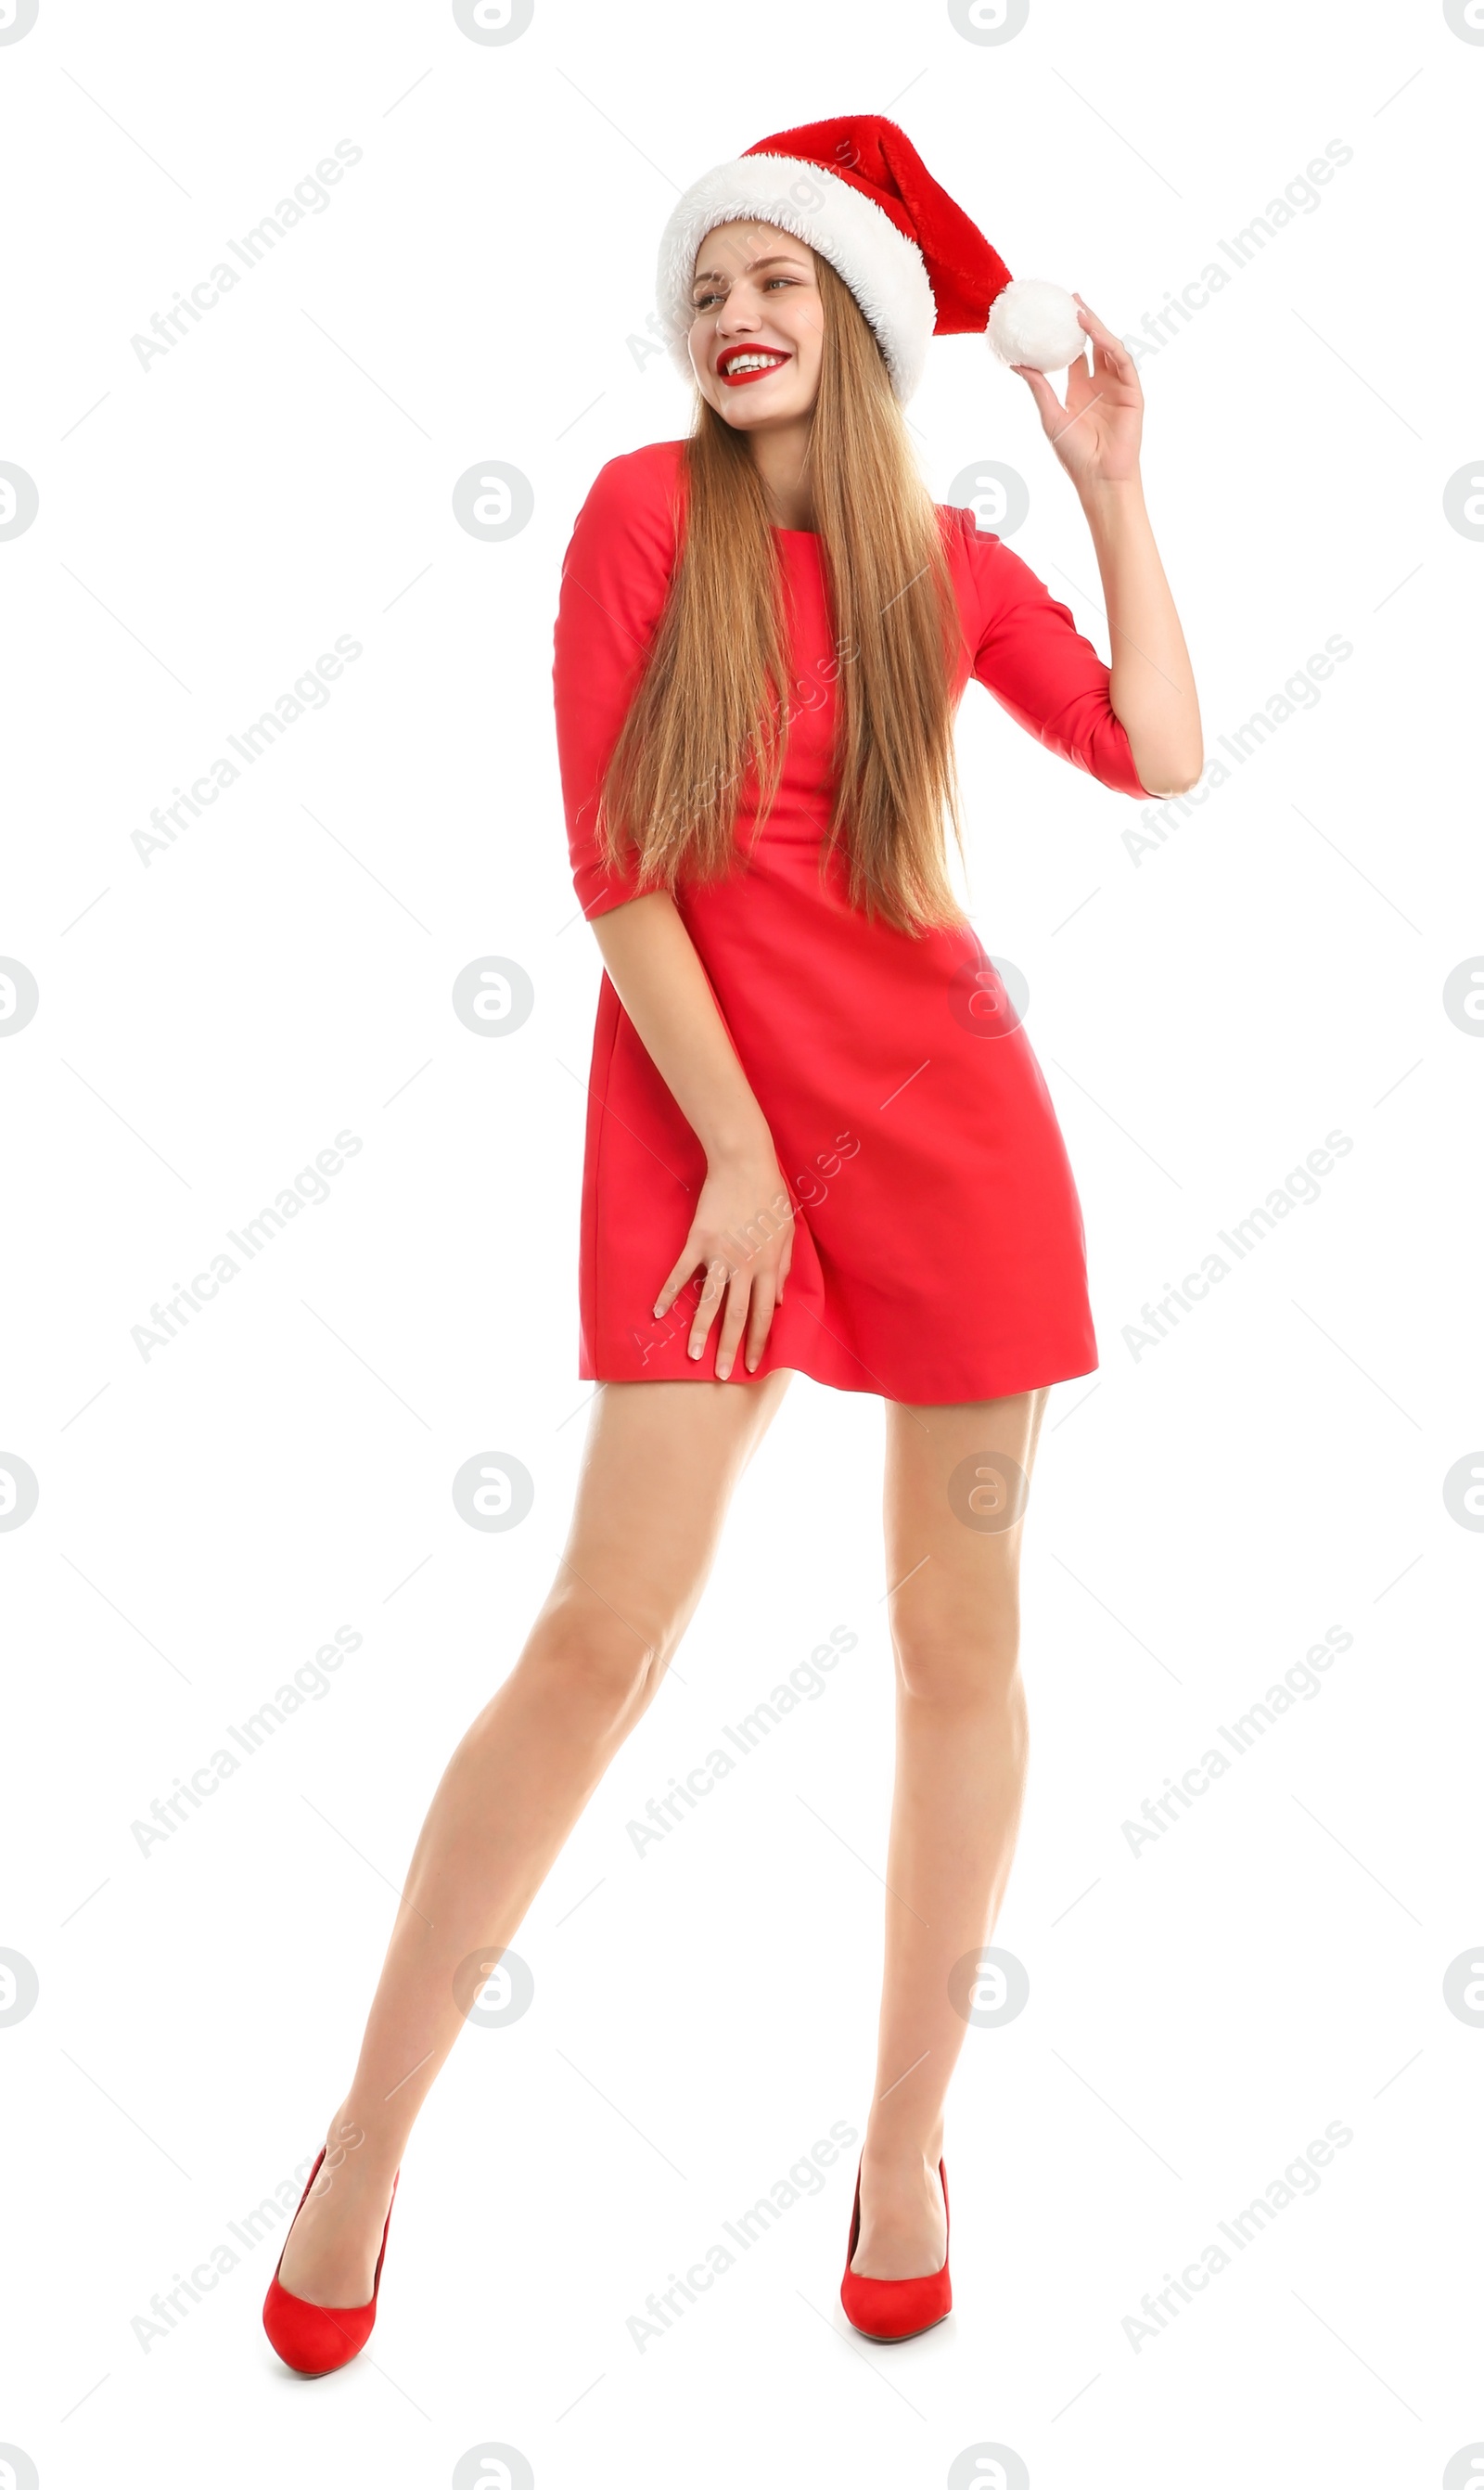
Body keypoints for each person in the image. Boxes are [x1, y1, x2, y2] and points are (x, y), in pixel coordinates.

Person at [262, 112, 1201, 2373]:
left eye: (779, 283)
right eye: (707, 290)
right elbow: (616, 866)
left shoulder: (942, 566)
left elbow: (1157, 752)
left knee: (951, 1643)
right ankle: (362, 2146)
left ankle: (899, 2144)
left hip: (946, 1128)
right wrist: (746, 1157)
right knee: (597, 1632)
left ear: (860, 326)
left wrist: (1102, 481)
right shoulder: (626, 520)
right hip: (704, 1138)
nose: (734, 316)